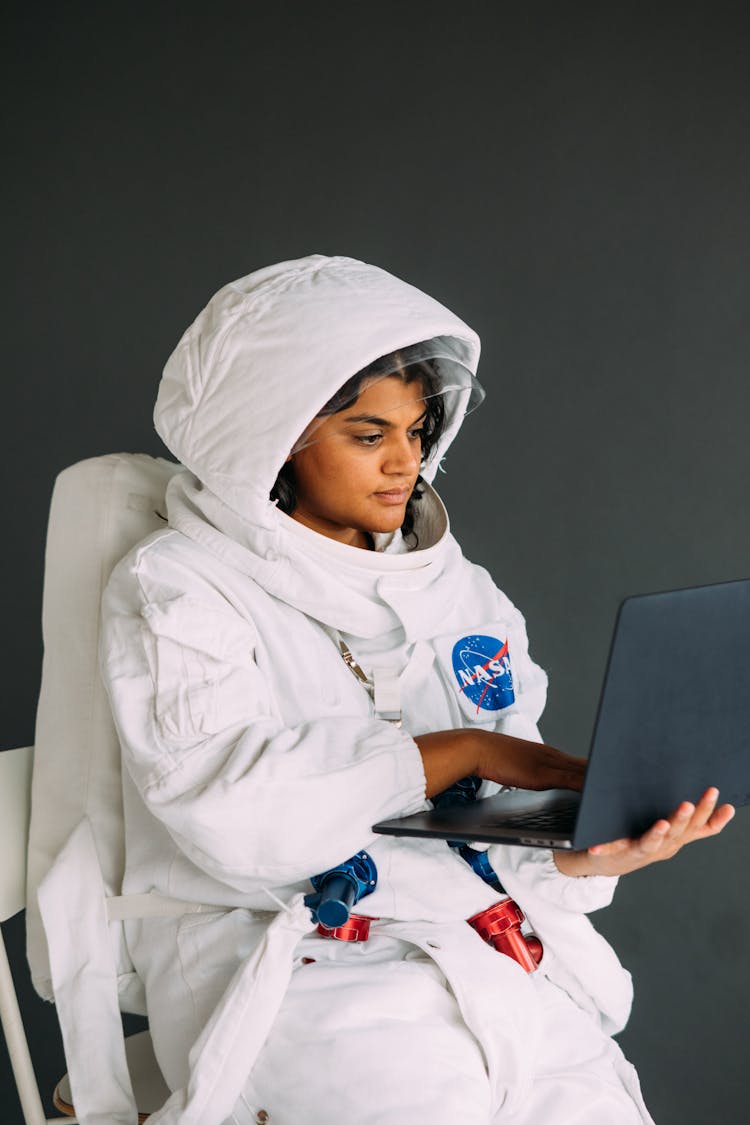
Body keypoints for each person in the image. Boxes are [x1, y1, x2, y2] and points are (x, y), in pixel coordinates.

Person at [100, 253, 733, 1125]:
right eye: (369, 435)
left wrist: (589, 854)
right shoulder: (182, 587)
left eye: (417, 429)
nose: (407, 462)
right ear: (270, 440)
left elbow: (499, 829)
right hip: (294, 960)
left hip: (486, 942)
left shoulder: (456, 590)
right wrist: (459, 751)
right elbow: (231, 815)